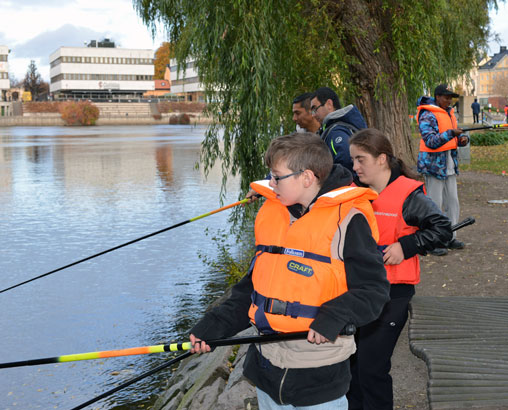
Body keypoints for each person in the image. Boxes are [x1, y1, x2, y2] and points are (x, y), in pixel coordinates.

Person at [190, 132, 390, 409]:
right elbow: (252, 288)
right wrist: (214, 327)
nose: (270, 183)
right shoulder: (274, 213)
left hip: (319, 376)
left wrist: (333, 317)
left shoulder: (350, 220)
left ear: (306, 178)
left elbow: (374, 291)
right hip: (265, 369)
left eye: (277, 176)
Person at [347, 128, 452, 410]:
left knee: (371, 369)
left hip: (392, 296)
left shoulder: (409, 195)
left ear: (382, 159)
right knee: (352, 367)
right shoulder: (354, 191)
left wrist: (404, 247)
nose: (354, 167)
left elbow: (442, 229)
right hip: (357, 293)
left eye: (360, 160)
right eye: (353, 160)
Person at [416, 84, 469, 256]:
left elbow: (456, 135)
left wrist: (462, 139)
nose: (449, 100)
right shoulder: (427, 114)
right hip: (433, 167)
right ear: (437, 97)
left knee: (453, 202)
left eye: (451, 97)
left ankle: (449, 237)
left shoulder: (449, 113)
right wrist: (451, 134)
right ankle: (432, 241)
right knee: (434, 204)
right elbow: (430, 140)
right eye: (446, 97)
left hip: (449, 164)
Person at [310, 87, 367, 173]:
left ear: (329, 104)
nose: (313, 115)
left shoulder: (336, 132)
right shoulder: (334, 128)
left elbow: (346, 165)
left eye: (315, 109)